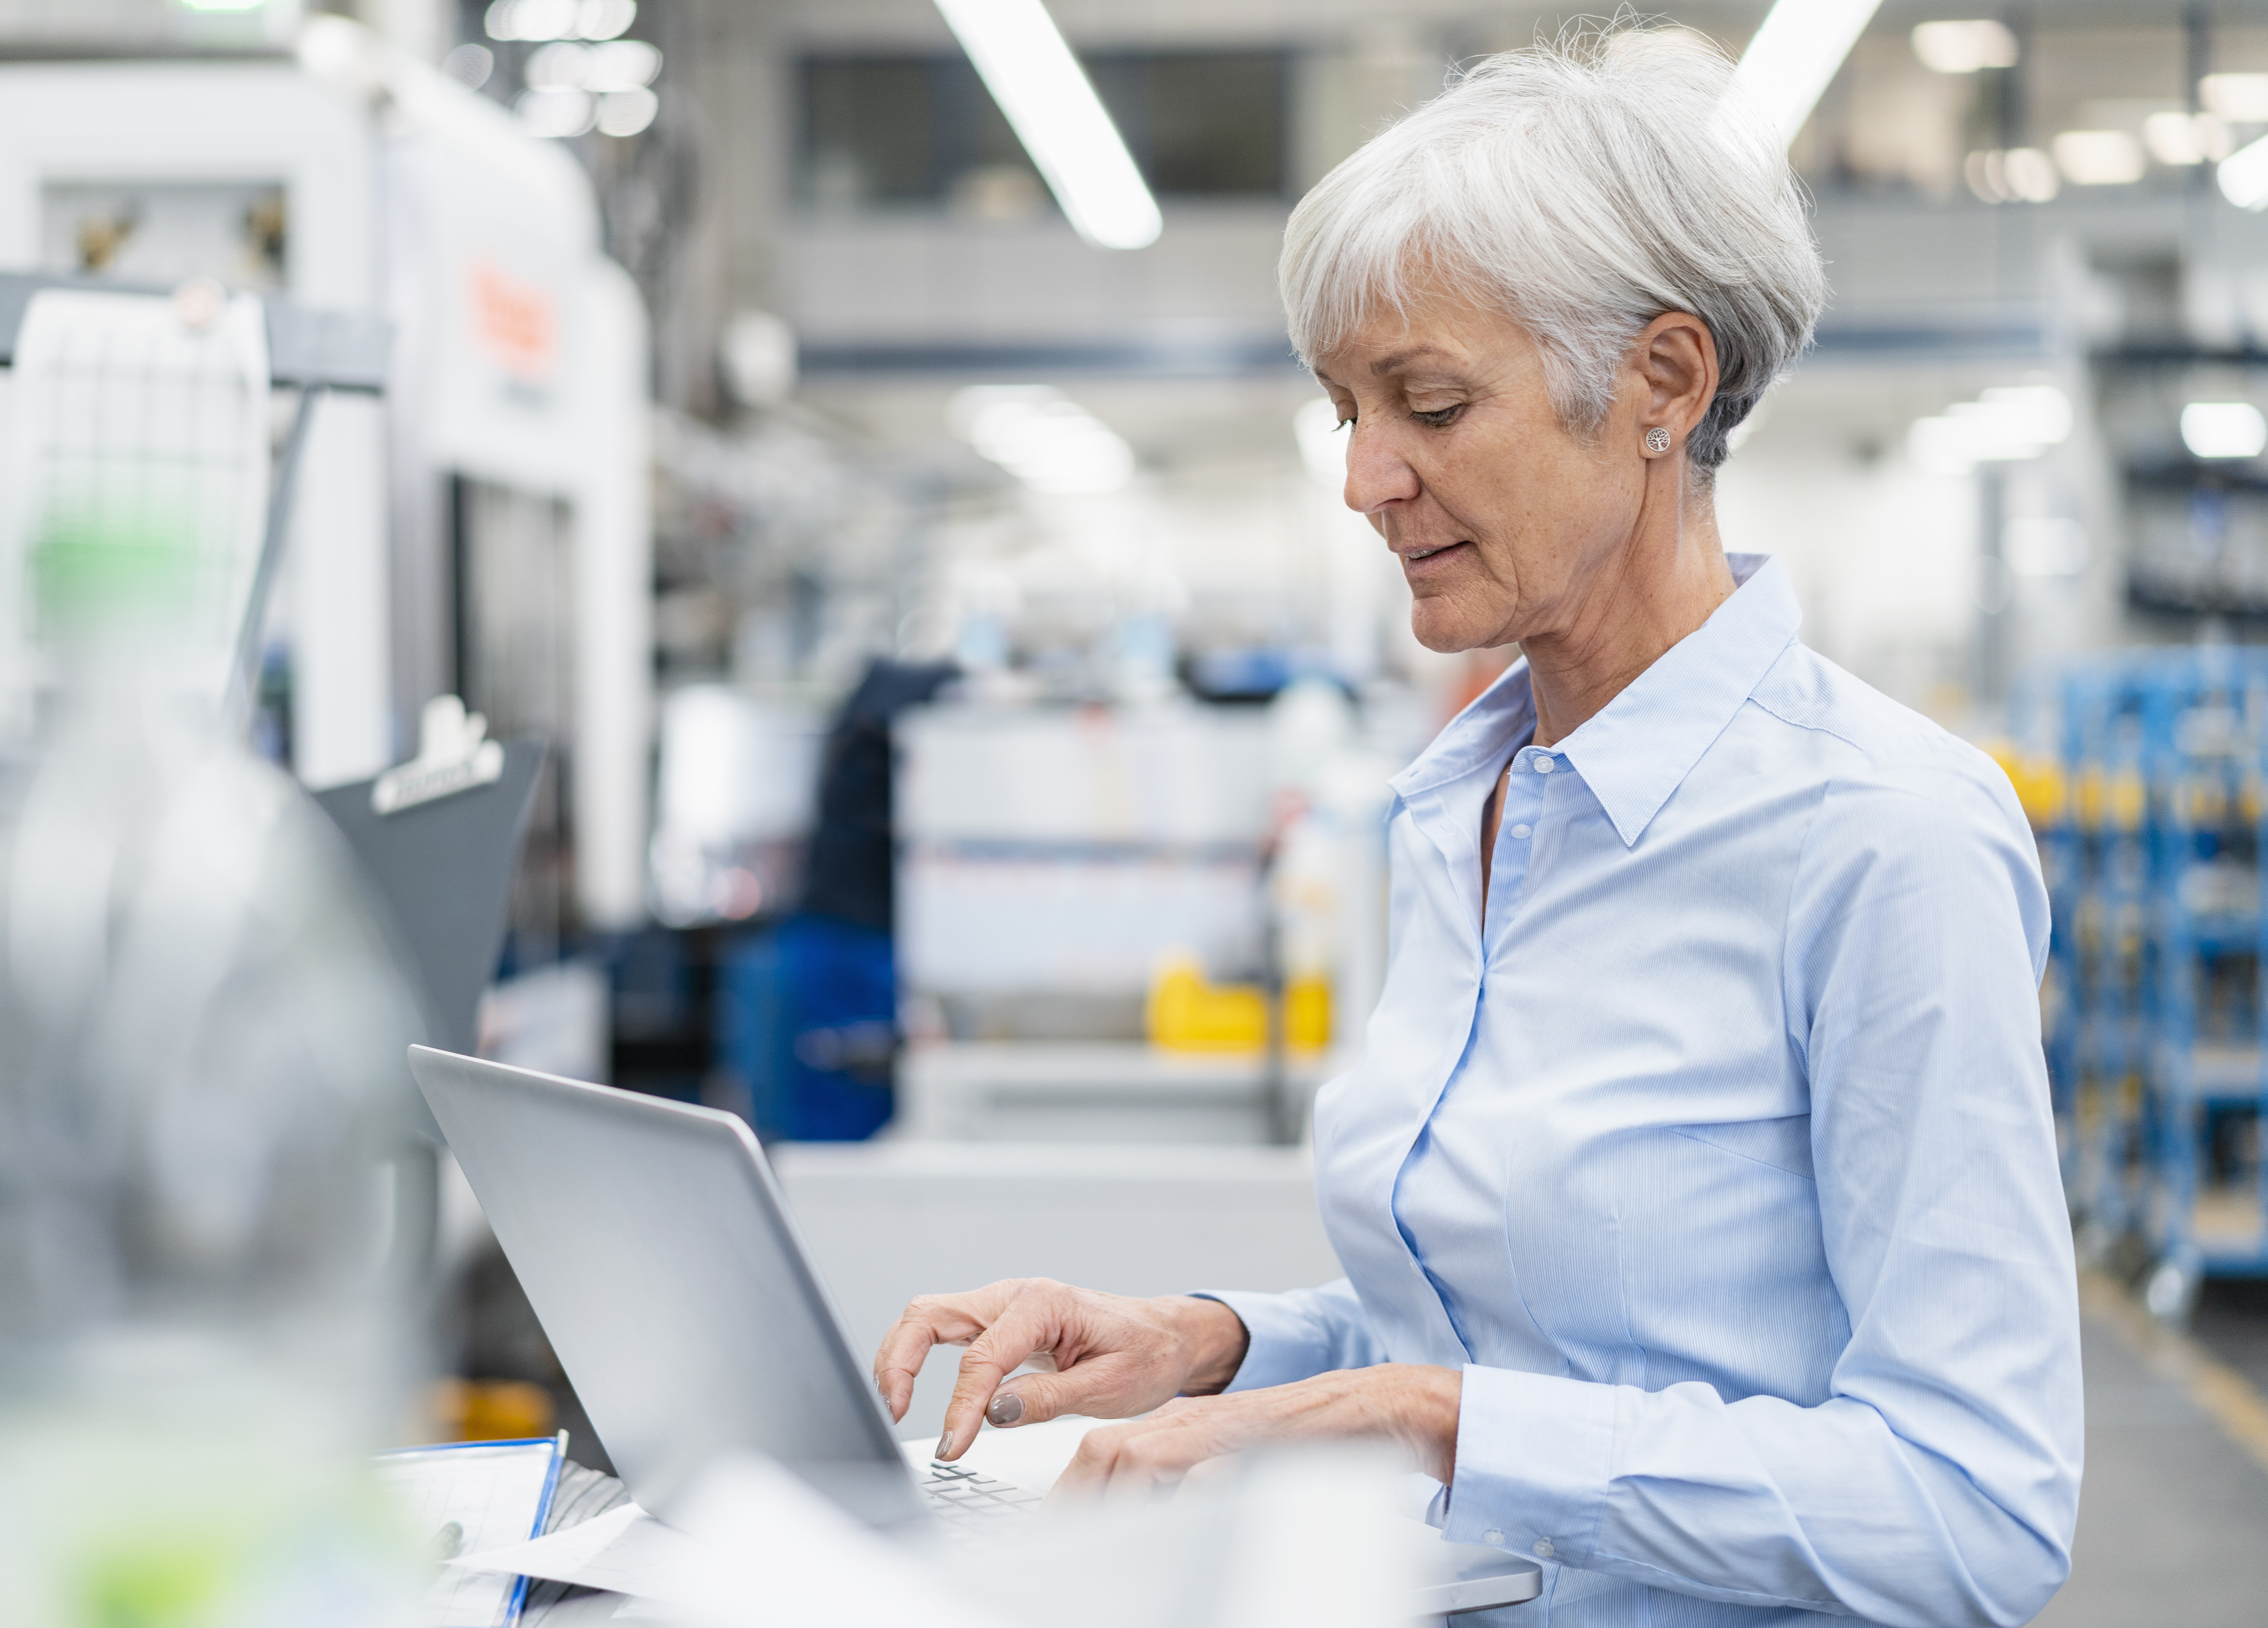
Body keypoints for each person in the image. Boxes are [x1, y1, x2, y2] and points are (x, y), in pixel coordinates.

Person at [871, 22, 2080, 1628]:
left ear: (1663, 384)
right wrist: (1213, 1345)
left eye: (1430, 405)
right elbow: (1530, 1333)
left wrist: (1414, 1418)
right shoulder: (1470, 805)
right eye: (1345, 410)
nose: (1366, 479)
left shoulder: (1884, 840)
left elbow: (1975, 1512)